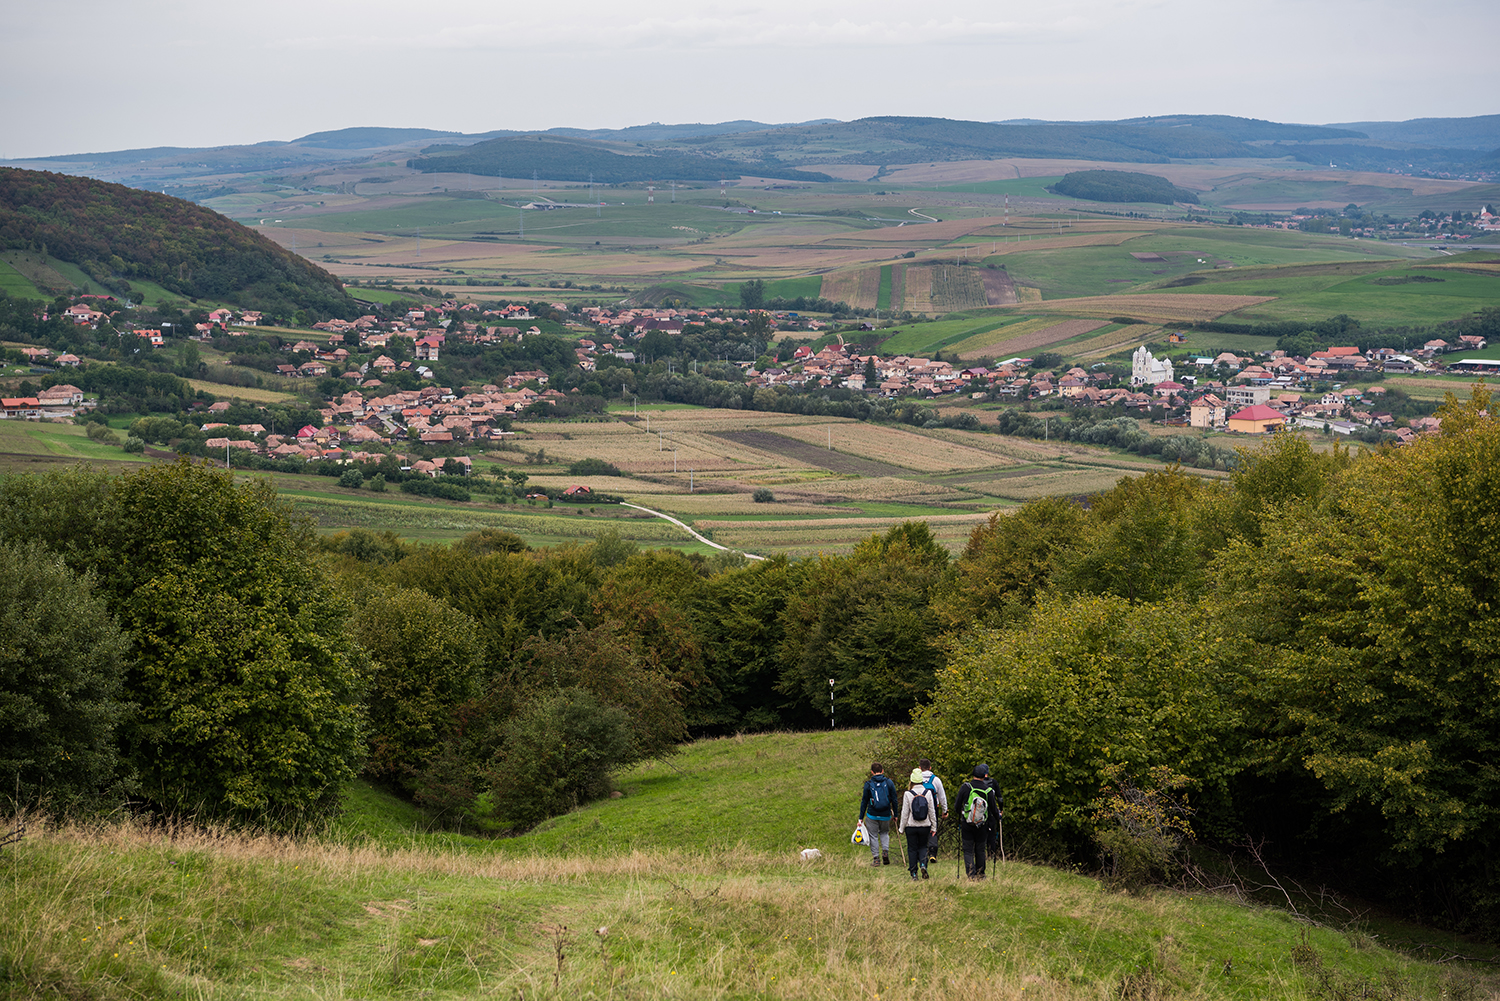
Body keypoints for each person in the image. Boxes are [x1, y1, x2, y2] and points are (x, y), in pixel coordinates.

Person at [955, 763, 1002, 880]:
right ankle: (981, 874)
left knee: (968, 850)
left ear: (973, 774)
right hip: (982, 824)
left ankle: (971, 874)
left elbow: (957, 806)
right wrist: (998, 817)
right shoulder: (989, 791)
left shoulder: (965, 787)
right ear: (984, 776)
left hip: (967, 823)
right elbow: (993, 809)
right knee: (980, 849)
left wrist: (962, 813)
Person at [897, 768, 937, 880]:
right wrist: (934, 827)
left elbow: (905, 813)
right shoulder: (927, 793)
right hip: (925, 825)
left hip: (911, 826)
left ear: (911, 781)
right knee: (923, 847)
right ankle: (923, 865)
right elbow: (931, 811)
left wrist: (901, 828)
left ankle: (914, 873)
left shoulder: (908, 794)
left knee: (912, 849)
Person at [858, 762, 898, 867]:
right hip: (885, 814)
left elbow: (864, 802)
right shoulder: (889, 783)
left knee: (873, 835)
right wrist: (896, 814)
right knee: (884, 833)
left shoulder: (868, 784)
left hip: (872, 815)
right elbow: (894, 799)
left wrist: (860, 818)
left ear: (872, 772)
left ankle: (876, 859)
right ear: (882, 771)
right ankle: (885, 851)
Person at [918, 758, 948, 864]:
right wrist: (945, 810)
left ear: (919, 768)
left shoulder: (916, 779)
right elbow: (942, 796)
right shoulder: (936, 780)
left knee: (920, 829)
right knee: (933, 829)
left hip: (918, 809)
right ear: (930, 768)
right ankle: (932, 853)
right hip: (933, 808)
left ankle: (922, 853)